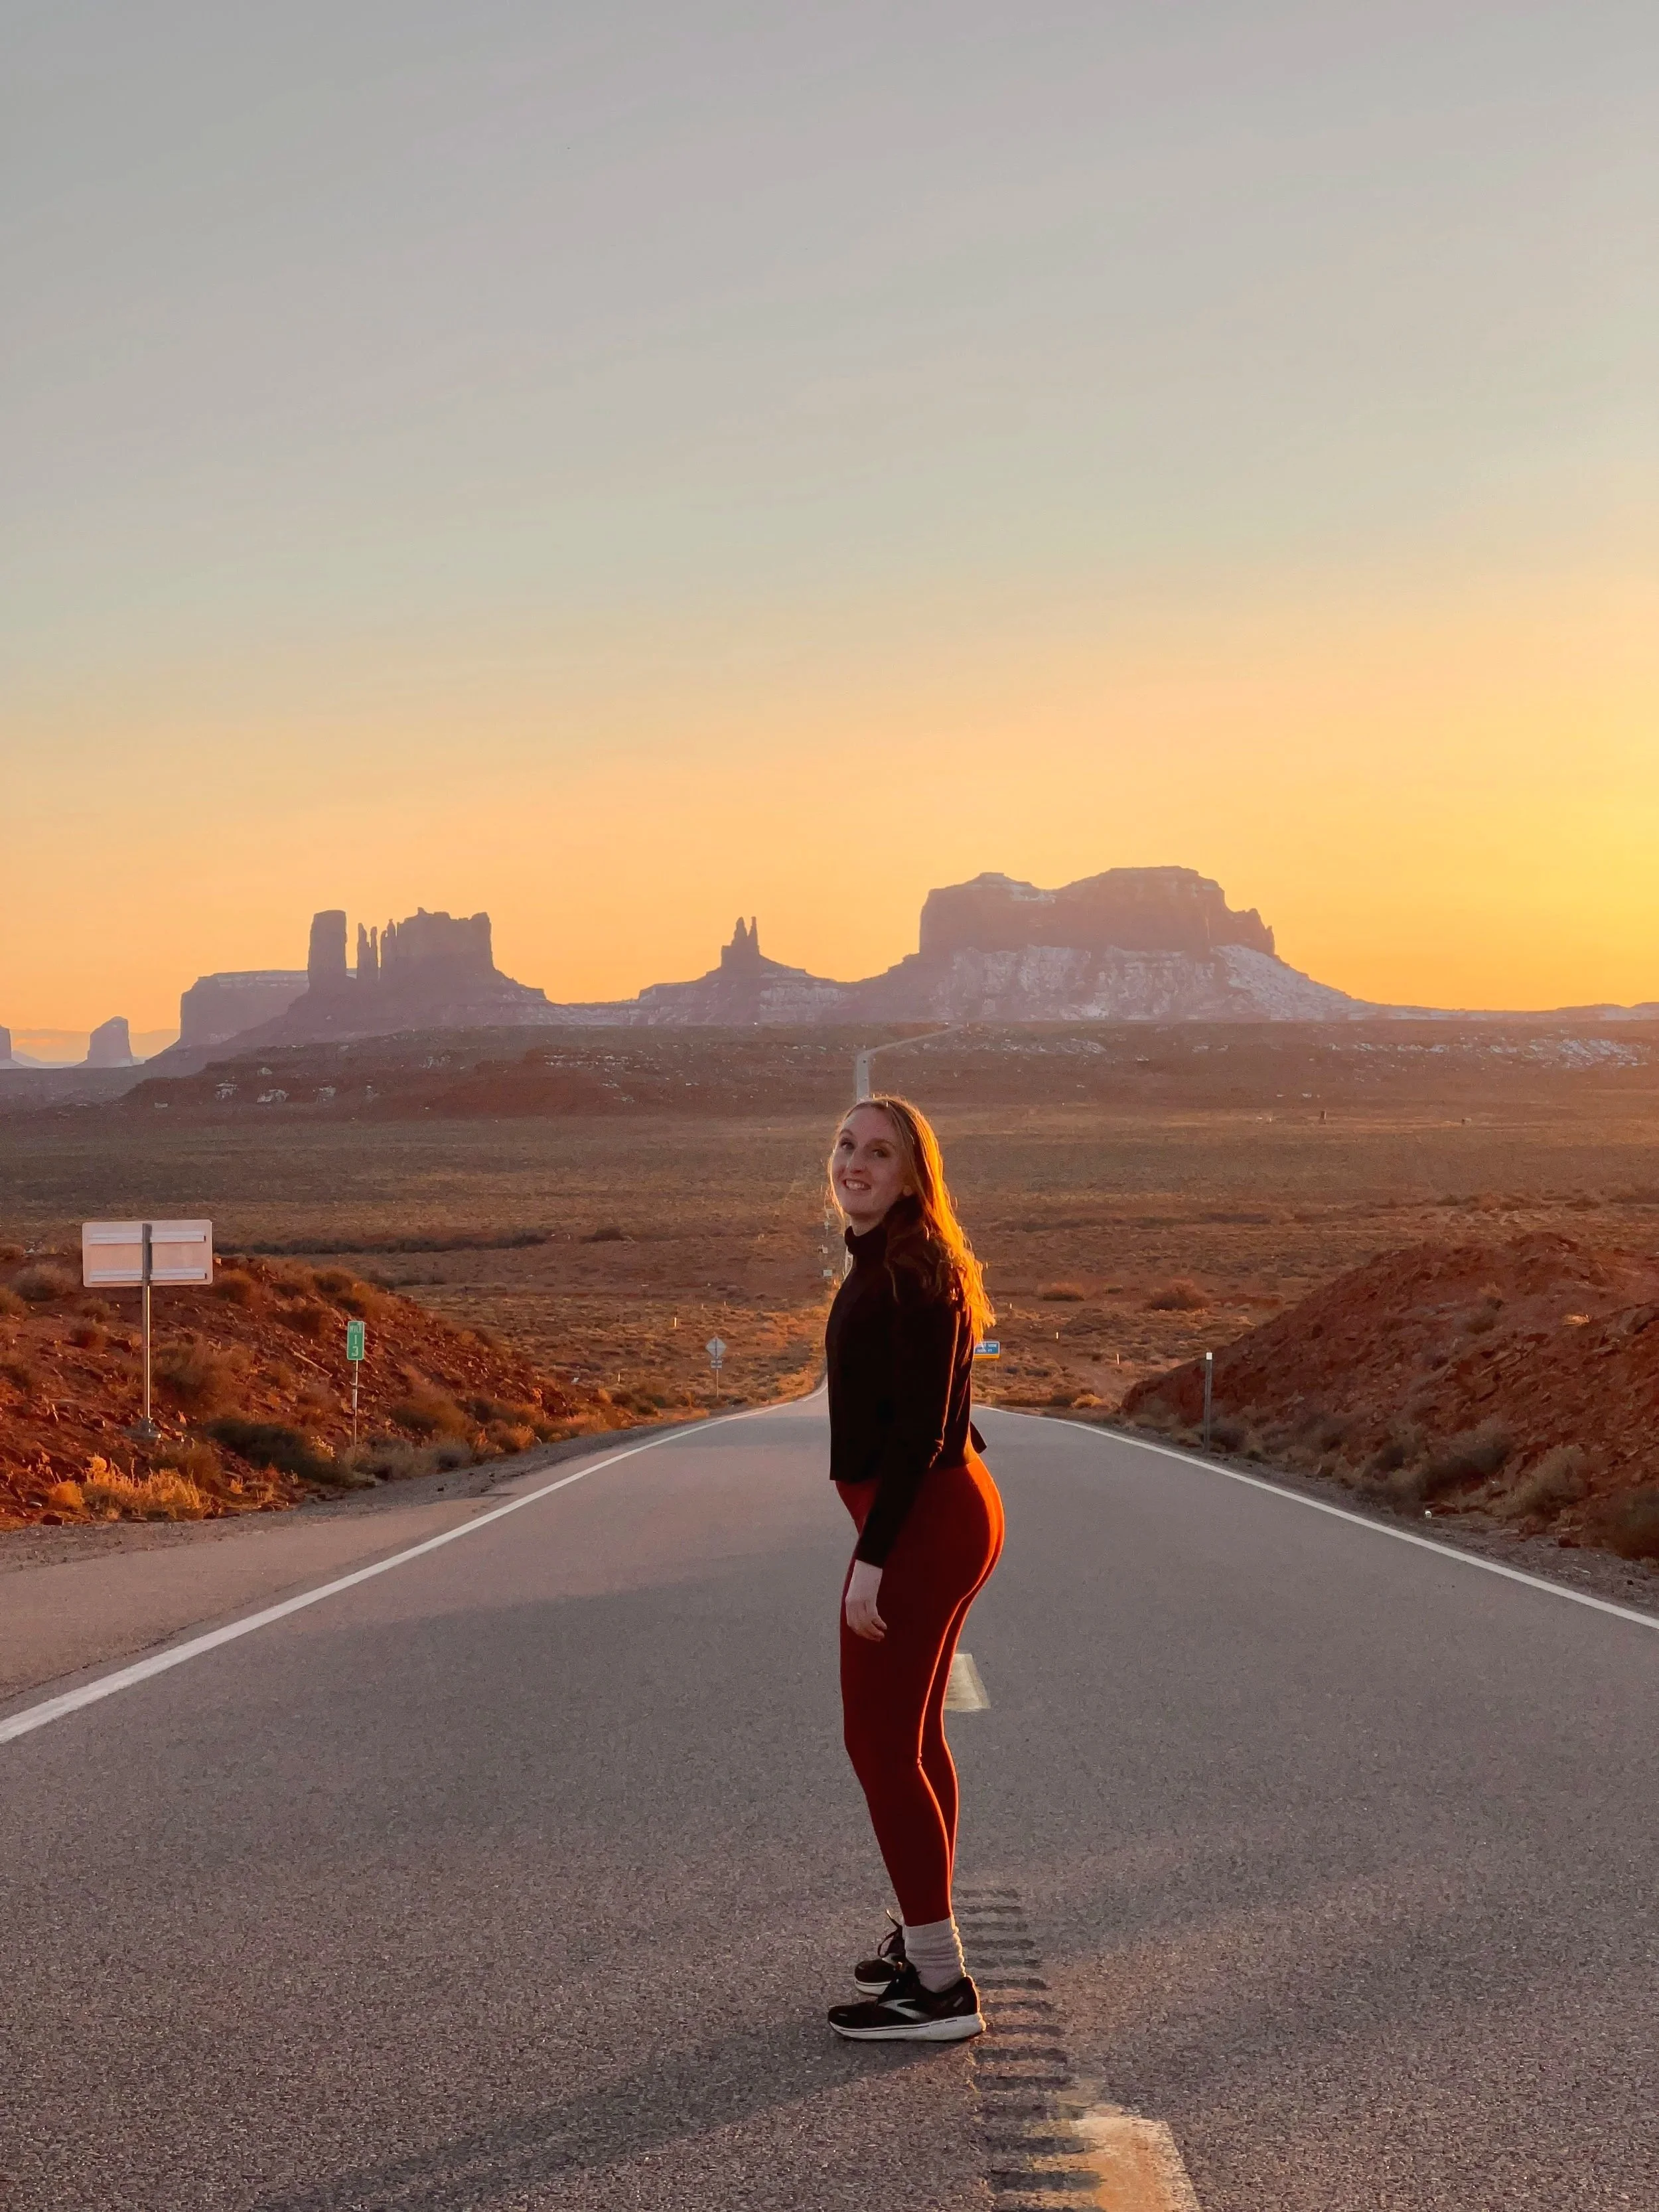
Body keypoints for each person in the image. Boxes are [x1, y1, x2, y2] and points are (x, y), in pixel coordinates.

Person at [822, 1094, 1005, 2043]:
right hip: (942, 1510)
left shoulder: (915, 1271)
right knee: (915, 1736)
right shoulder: (892, 1259)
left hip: (926, 1517)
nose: (856, 1163)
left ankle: (938, 1987)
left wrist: (874, 1558)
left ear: (911, 1173)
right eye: (847, 1146)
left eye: (879, 1152)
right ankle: (923, 1941)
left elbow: (921, 1433)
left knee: (878, 1744)